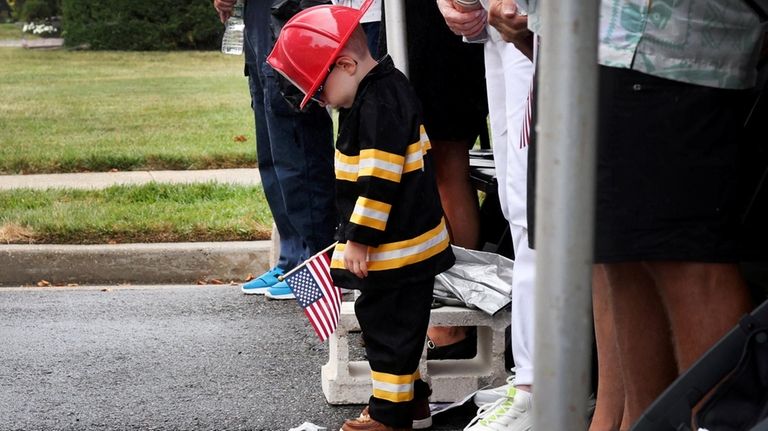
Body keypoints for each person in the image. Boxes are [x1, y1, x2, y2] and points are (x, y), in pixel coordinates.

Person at [501, 1, 764, 429]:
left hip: (661, 38)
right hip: (584, 35)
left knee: (684, 256)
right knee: (614, 252)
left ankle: (716, 423)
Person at [266, 2, 455, 429]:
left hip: (396, 248)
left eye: (320, 91)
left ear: (346, 65)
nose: (320, 102)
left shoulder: (377, 107)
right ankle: (414, 400)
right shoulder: (379, 91)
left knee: (387, 329)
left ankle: (390, 417)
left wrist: (358, 239)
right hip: (404, 244)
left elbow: (379, 180)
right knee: (398, 327)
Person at [436, 0, 535, 429]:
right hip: (501, 29)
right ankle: (531, 376)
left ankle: (540, 383)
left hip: (544, 24)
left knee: (537, 209)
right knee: (518, 204)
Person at [213, 0, 337, 301]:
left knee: (294, 131)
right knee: (272, 148)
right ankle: (291, 258)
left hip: (290, 7)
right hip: (258, 13)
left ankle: (318, 262)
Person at [400, 0, 490, 358]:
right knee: (428, 167)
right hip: (409, 21)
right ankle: (437, 307)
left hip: (443, 28)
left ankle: (454, 319)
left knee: (447, 164)